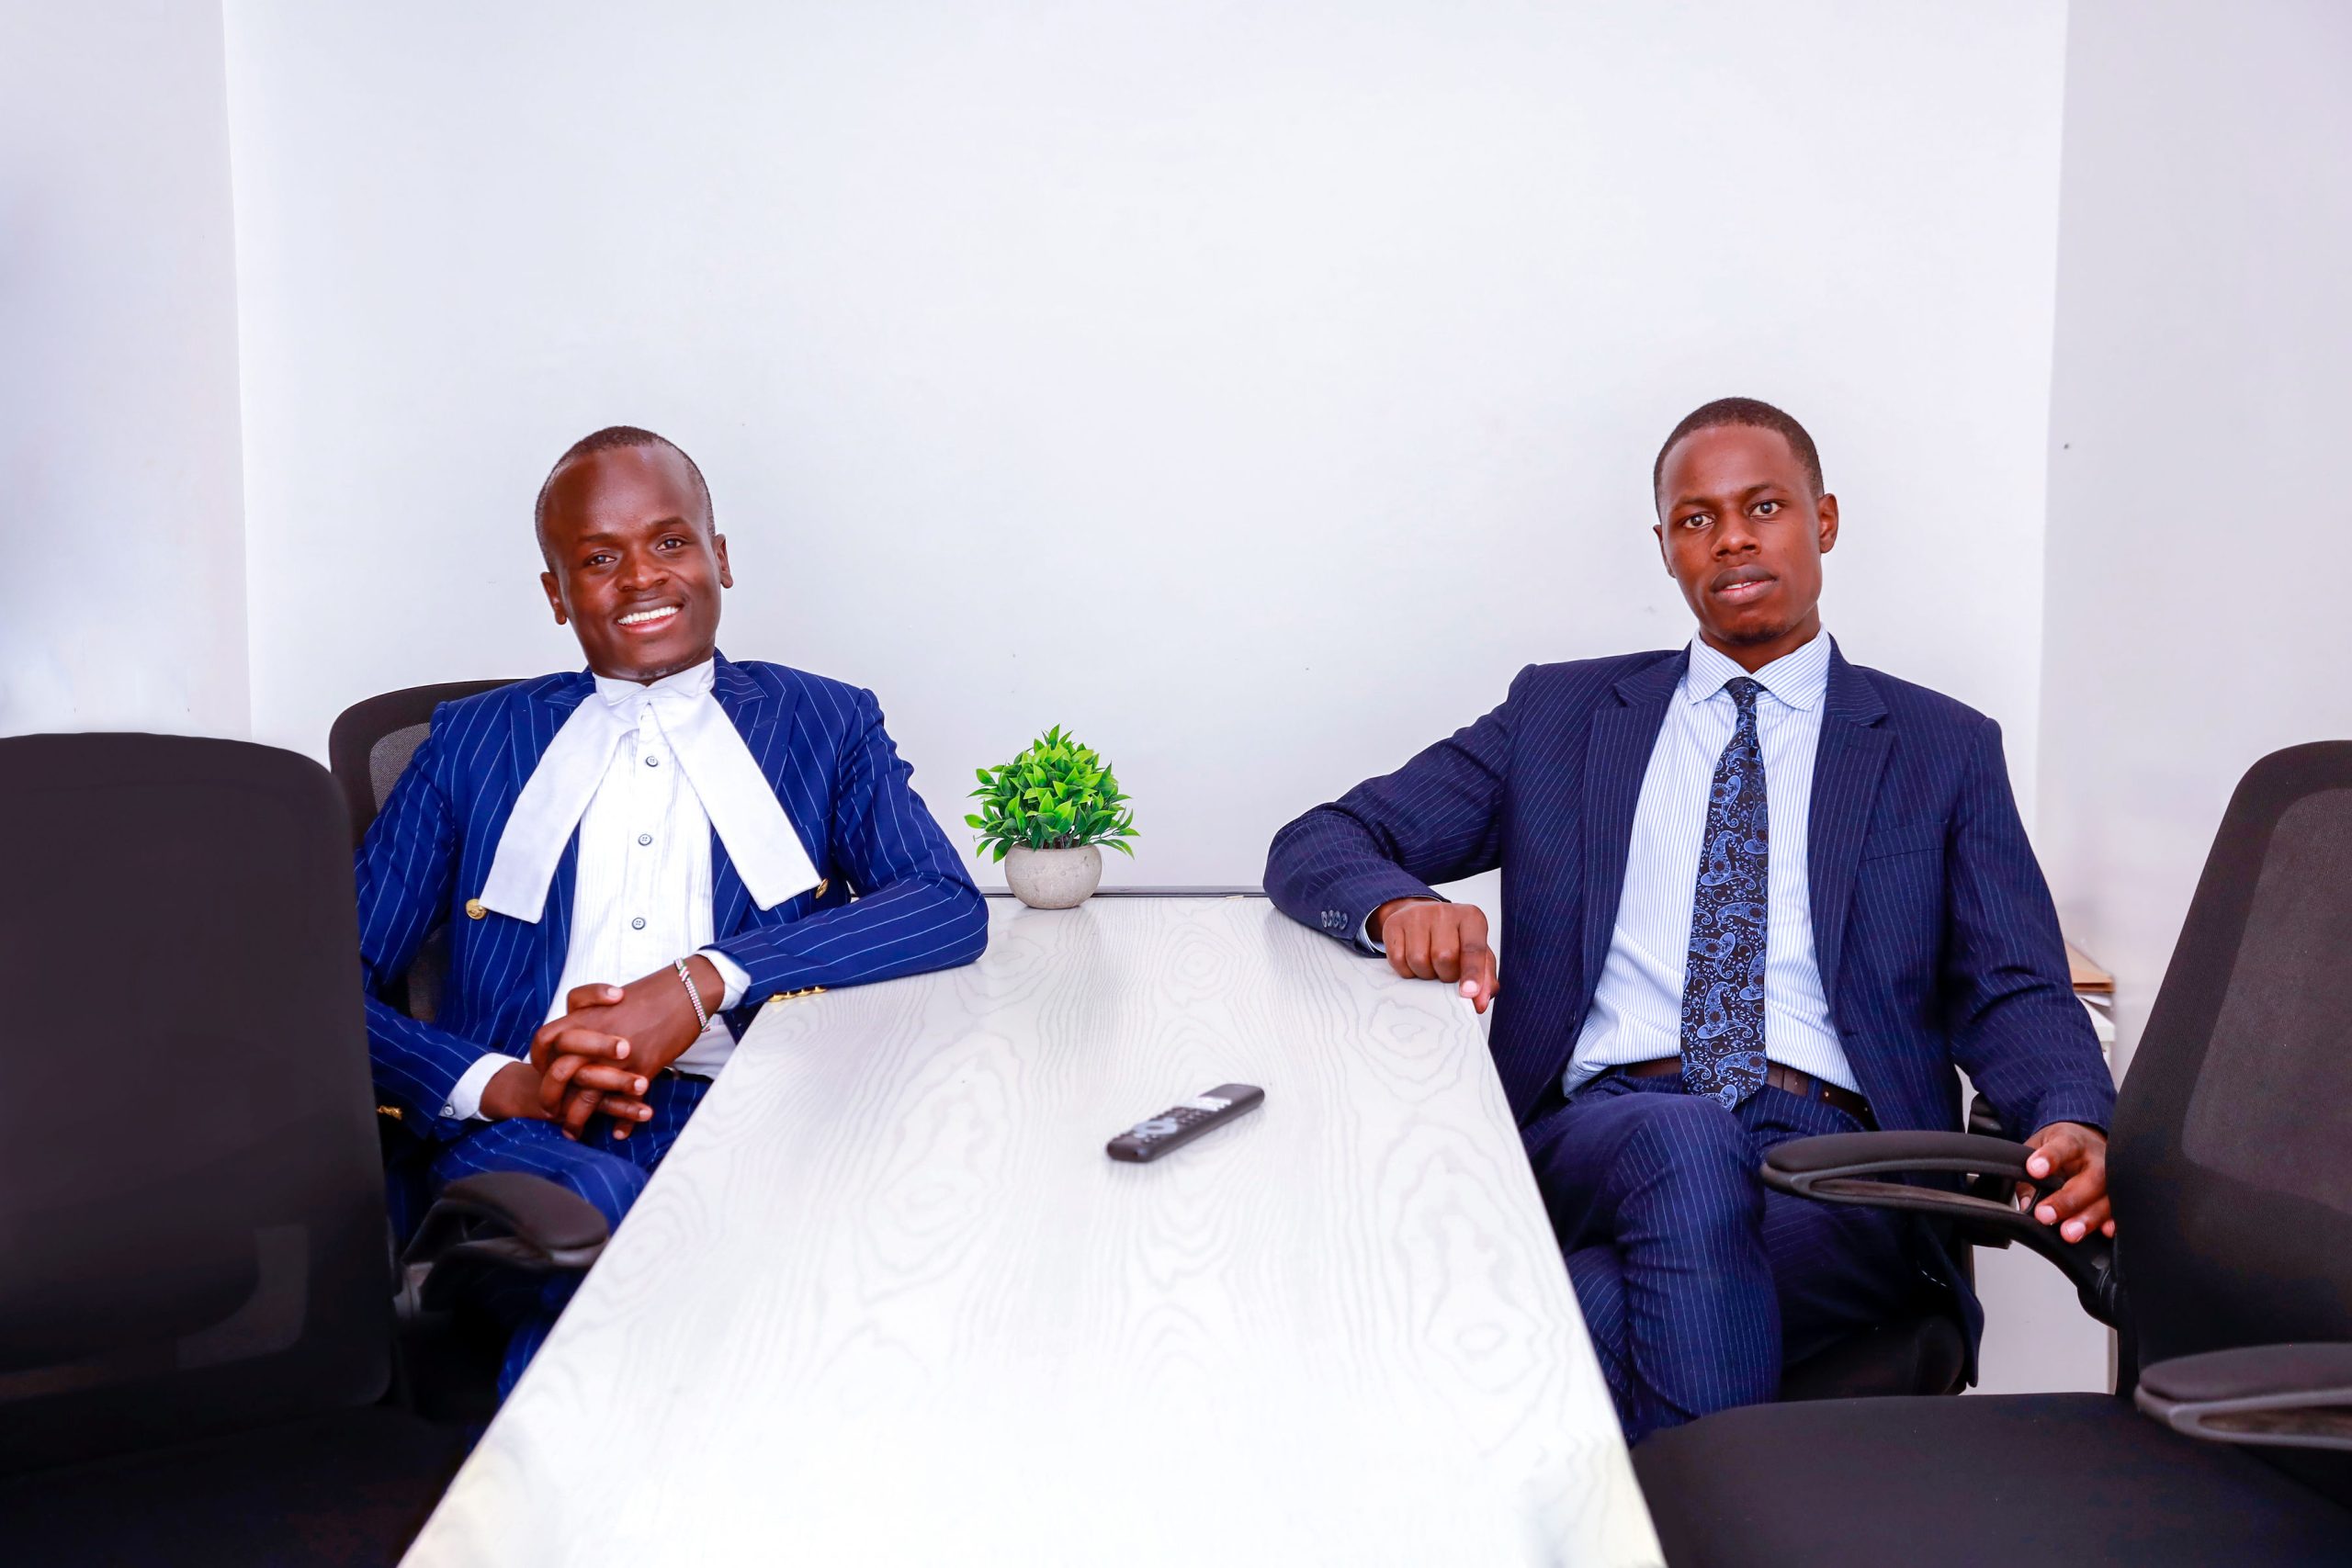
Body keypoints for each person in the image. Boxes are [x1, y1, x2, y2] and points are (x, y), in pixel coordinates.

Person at [1263, 398, 2115, 1442]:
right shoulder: (1560, 719)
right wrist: (1399, 903)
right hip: (1602, 1135)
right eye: (1697, 519)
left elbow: (2013, 984)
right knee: (1683, 1138)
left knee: (1583, 1316)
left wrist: (2073, 1114)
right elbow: (1322, 838)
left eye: (1764, 507)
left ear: (1824, 521)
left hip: (1840, 1170)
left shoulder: (1941, 746)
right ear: (1665, 547)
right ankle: (1725, 1514)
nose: (1732, 539)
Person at [357, 425, 987, 1393]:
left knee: (861, 1275)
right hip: (532, 1134)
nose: (642, 577)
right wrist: (502, 1084)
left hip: (759, 1107)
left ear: (718, 555)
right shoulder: (470, 741)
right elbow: (323, 987)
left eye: (669, 541)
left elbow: (942, 903)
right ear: (556, 594)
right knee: (608, 1229)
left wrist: (700, 982)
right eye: (598, 559)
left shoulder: (825, 720)